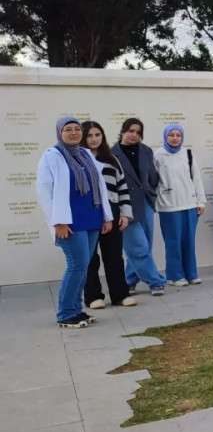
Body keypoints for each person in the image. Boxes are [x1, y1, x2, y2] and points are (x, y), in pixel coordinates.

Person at [37, 117, 113, 327]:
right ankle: (66, 313)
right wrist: (57, 222)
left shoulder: (86, 154)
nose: (73, 132)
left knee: (84, 265)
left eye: (77, 129)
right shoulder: (52, 156)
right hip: (70, 222)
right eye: (68, 129)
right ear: (59, 132)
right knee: (76, 265)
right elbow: (45, 192)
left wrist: (106, 217)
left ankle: (77, 310)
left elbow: (100, 187)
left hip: (92, 218)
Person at [81, 121, 133, 308]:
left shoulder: (112, 159)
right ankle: (93, 296)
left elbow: (123, 188)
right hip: (88, 214)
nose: (94, 139)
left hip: (113, 211)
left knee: (114, 256)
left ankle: (120, 295)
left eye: (97, 135)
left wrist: (125, 214)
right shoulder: (78, 160)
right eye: (89, 135)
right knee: (90, 257)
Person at [112, 118, 165, 295]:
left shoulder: (146, 151)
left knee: (145, 245)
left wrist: (150, 190)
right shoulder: (112, 154)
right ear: (123, 131)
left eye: (138, 132)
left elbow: (152, 175)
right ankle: (156, 281)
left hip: (146, 203)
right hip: (125, 207)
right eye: (130, 131)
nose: (134, 135)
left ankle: (129, 280)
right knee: (138, 247)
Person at [155, 123, 207, 285]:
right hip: (169, 206)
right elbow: (153, 182)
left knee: (188, 241)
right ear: (165, 136)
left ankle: (191, 273)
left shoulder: (188, 154)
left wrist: (201, 201)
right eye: (171, 135)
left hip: (190, 205)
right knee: (173, 242)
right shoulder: (158, 155)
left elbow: (196, 178)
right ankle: (174, 275)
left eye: (178, 135)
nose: (175, 138)